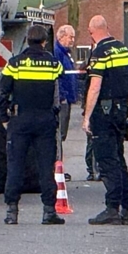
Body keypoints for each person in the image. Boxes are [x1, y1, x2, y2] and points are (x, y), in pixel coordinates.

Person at [0, 25, 66, 225]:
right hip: (45, 121)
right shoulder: (53, 64)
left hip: (20, 120)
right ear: (44, 42)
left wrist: (4, 118)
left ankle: (12, 212)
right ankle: (49, 212)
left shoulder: (15, 64)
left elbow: (2, 93)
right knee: (46, 167)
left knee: (15, 165)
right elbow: (59, 88)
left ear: (27, 40)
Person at [82, 15, 128, 225]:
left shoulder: (99, 52)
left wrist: (87, 117)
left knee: (107, 160)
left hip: (103, 113)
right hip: (121, 111)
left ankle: (112, 207)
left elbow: (95, 86)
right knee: (119, 159)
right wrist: (122, 100)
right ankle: (127, 207)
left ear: (92, 31)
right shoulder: (123, 49)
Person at [53, 24, 77, 179]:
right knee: (58, 134)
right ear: (61, 37)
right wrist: (61, 96)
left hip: (67, 99)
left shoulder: (66, 54)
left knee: (61, 135)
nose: (72, 40)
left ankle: (58, 166)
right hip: (62, 100)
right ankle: (57, 168)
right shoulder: (58, 53)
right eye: (70, 37)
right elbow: (58, 76)